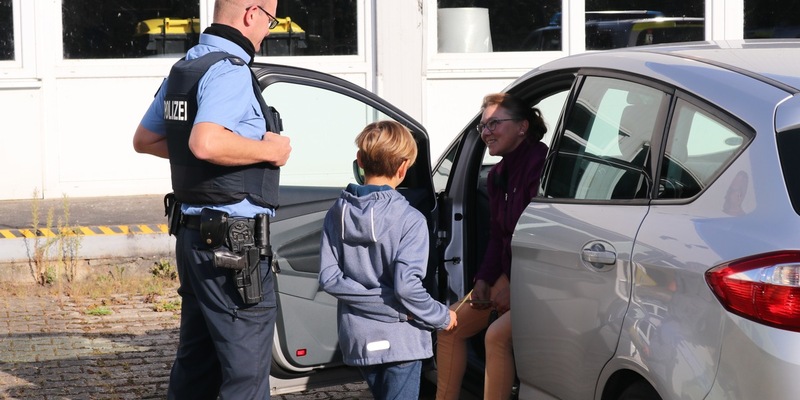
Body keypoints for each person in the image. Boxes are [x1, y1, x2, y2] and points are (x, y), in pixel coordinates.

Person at [132, 0, 291, 398]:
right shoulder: (231, 72)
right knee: (245, 378)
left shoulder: (186, 69)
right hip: (234, 246)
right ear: (252, 14)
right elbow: (206, 142)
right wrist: (269, 150)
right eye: (270, 21)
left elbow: (146, 140)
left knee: (196, 368)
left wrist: (212, 147)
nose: (268, 31)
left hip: (193, 240)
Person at [318, 120, 458, 400]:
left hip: (359, 338)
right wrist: (441, 316)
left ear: (359, 161)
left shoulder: (337, 213)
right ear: (403, 168)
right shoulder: (410, 219)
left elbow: (329, 278)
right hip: (401, 340)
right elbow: (407, 288)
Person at [436, 93, 548, 400]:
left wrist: (515, 284)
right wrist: (484, 280)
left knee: (496, 336)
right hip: (511, 275)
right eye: (483, 126)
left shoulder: (540, 164)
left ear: (523, 127)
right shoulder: (499, 174)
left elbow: (538, 237)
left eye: (494, 123)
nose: (486, 132)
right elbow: (499, 236)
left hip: (541, 280)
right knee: (449, 327)